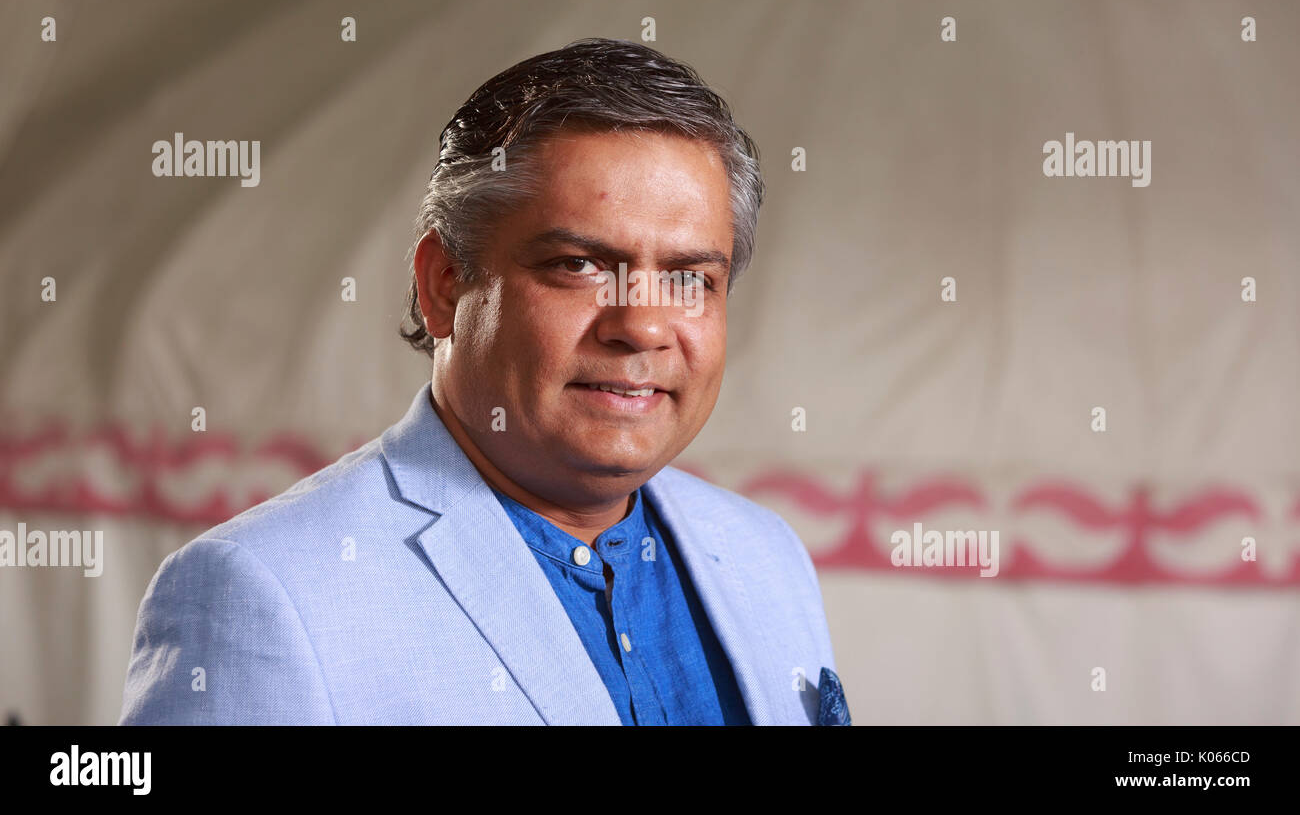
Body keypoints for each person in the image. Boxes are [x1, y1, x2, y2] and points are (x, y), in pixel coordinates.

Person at [119, 37, 847, 725]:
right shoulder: (265, 591)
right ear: (443, 285)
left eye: (690, 277)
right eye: (578, 264)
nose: (643, 326)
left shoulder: (762, 554)